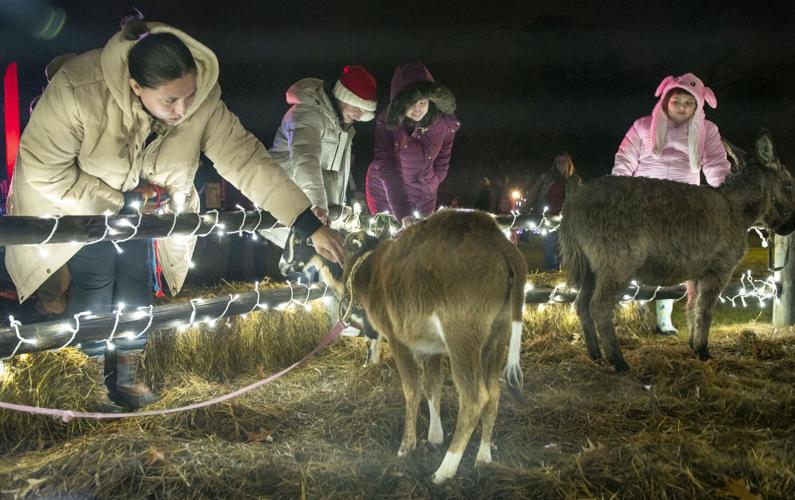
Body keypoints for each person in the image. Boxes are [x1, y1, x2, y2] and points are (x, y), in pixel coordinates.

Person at [4, 15, 343, 409]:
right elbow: (45, 170)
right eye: (169, 100)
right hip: (81, 211)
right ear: (135, 87)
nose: (183, 110)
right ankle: (89, 379)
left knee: (136, 286)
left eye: (189, 95)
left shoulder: (200, 103)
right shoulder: (79, 88)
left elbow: (246, 161)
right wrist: (122, 201)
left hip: (148, 216)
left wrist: (304, 223)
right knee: (94, 282)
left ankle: (128, 376)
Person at [612, 73, 731, 335]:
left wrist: (724, 188)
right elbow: (626, 158)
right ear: (666, 99)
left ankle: (678, 315)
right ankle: (633, 313)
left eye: (689, 103)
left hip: (685, 204)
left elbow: (715, 163)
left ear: (698, 105)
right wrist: (618, 188)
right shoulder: (643, 127)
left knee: (687, 259)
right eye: (677, 101)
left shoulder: (707, 131)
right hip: (645, 200)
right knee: (638, 257)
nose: (682, 107)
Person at [266, 65, 376, 246]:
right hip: (290, 206)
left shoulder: (342, 127)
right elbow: (306, 160)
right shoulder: (306, 114)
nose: (359, 113)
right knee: (291, 268)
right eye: (355, 105)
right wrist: (317, 206)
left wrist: (334, 209)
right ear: (342, 96)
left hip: (316, 215)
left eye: (363, 109)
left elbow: (335, 174)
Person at [365, 61, 460, 227]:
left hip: (424, 196)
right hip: (387, 195)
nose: (417, 109)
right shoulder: (388, 124)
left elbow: (444, 155)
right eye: (411, 103)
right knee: (389, 245)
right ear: (400, 103)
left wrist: (435, 180)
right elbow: (388, 165)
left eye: (422, 102)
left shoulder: (443, 123)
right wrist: (403, 213)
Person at [529, 152, 579, 270]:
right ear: (554, 164)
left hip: (567, 222)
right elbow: (533, 194)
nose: (561, 163)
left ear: (568, 163)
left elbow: (579, 199)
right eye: (558, 161)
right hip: (549, 220)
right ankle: (551, 276)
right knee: (549, 249)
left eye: (563, 161)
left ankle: (567, 278)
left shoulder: (575, 180)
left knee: (566, 251)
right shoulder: (546, 178)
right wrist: (523, 212)